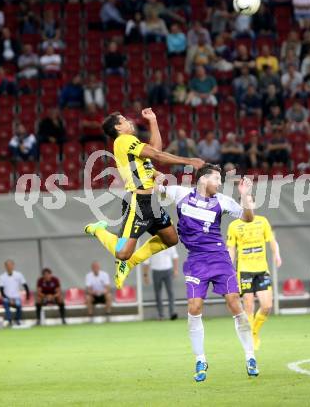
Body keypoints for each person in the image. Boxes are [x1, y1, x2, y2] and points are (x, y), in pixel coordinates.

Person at [157, 165, 259, 380]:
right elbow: (162, 191)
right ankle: (200, 360)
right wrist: (157, 182)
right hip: (196, 260)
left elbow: (248, 218)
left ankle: (250, 356)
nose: (220, 183)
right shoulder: (181, 193)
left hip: (219, 258)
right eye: (217, 178)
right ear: (203, 179)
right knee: (194, 307)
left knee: (234, 303)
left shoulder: (222, 201)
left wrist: (245, 196)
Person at [84, 108, 204, 289]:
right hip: (137, 204)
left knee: (171, 239)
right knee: (122, 252)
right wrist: (190, 161)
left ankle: (132, 262)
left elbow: (155, 152)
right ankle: (98, 230)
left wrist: (153, 121)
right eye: (124, 120)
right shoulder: (123, 140)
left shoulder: (131, 144)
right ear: (118, 127)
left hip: (152, 203)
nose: (129, 121)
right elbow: (157, 155)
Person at [227, 208, 281, 350]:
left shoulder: (262, 221)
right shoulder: (234, 225)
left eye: (250, 201)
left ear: (254, 204)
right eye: (245, 202)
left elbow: (272, 240)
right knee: (249, 306)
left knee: (267, 306)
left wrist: (277, 254)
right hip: (244, 270)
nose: (248, 205)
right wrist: (228, 267)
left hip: (261, 270)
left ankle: (254, 332)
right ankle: (250, 339)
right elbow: (231, 248)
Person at [143, 246, 179, 320]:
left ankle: (172, 313)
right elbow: (146, 261)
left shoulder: (169, 242)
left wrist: (175, 270)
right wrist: (145, 275)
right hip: (156, 271)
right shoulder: (151, 244)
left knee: (170, 292)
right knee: (158, 293)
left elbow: (175, 257)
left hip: (168, 269)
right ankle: (161, 315)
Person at [0, 260, 30, 326]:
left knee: (19, 305)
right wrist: (9, 299)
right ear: (5, 266)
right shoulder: (2, 277)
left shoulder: (19, 275)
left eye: (10, 265)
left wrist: (27, 296)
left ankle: (17, 320)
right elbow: (1, 290)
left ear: (13, 265)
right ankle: (9, 321)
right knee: (6, 304)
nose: (9, 267)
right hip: (6, 297)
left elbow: (25, 285)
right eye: (7, 265)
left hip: (16, 297)